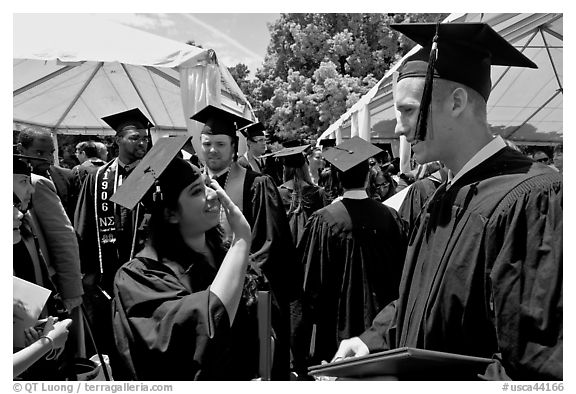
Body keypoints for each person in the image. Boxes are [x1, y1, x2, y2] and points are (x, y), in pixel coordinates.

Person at [333, 22, 562, 380]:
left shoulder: (531, 199)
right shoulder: (442, 194)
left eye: (407, 111)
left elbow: (535, 369)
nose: (399, 128)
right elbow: (425, 299)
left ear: (456, 102)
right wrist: (372, 341)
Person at [110, 136, 259, 380]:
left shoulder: (218, 250)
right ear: (170, 214)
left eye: (206, 184)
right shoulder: (138, 279)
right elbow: (203, 326)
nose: (213, 195)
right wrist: (241, 240)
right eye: (197, 191)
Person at [191, 105, 298, 379]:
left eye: (219, 144)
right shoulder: (193, 187)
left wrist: (239, 277)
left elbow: (270, 244)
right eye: (207, 144)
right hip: (203, 295)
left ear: (234, 146)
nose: (212, 150)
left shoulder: (257, 184)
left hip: (245, 298)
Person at [294, 136, 408, 370]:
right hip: (381, 337)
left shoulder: (324, 220)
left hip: (336, 336)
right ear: (368, 177)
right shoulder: (391, 217)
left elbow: (308, 285)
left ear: (336, 177)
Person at [74, 108, 153, 375]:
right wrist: (88, 270)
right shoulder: (98, 178)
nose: (142, 142)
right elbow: (84, 224)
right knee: (113, 344)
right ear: (117, 139)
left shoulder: (153, 175)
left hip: (147, 276)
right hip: (107, 277)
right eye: (134, 137)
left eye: (144, 137)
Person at [17, 128, 79, 223]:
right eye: (39, 153)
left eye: (51, 153)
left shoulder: (67, 176)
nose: (49, 159)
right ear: (21, 149)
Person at [274, 145, 328, 245]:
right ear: (305, 167)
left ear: (285, 169)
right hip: (310, 246)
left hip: (285, 246)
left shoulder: (277, 193)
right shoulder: (318, 192)